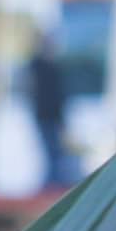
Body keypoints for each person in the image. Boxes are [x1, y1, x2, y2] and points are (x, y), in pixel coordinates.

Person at [24, 26, 78, 189]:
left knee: (56, 155)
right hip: (46, 116)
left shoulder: (49, 66)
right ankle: (51, 187)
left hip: (52, 116)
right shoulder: (39, 66)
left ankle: (52, 185)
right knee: (53, 155)